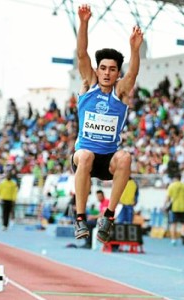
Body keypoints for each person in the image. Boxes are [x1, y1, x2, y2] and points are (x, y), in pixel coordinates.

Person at [71, 4, 144, 244]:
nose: (106, 73)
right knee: (84, 156)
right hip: (86, 156)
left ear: (116, 73)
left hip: (108, 159)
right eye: (103, 68)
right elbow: (82, 54)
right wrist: (83, 23)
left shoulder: (121, 92)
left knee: (125, 157)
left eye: (112, 70)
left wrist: (135, 50)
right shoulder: (89, 83)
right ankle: (80, 218)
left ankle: (108, 217)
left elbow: (132, 75)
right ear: (97, 69)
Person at [163, 173, 184, 246]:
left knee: (173, 224)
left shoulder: (172, 186)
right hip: (183, 207)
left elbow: (167, 198)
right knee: (183, 223)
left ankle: (173, 239)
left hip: (174, 207)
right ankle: (183, 234)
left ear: (175, 178)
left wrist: (164, 206)